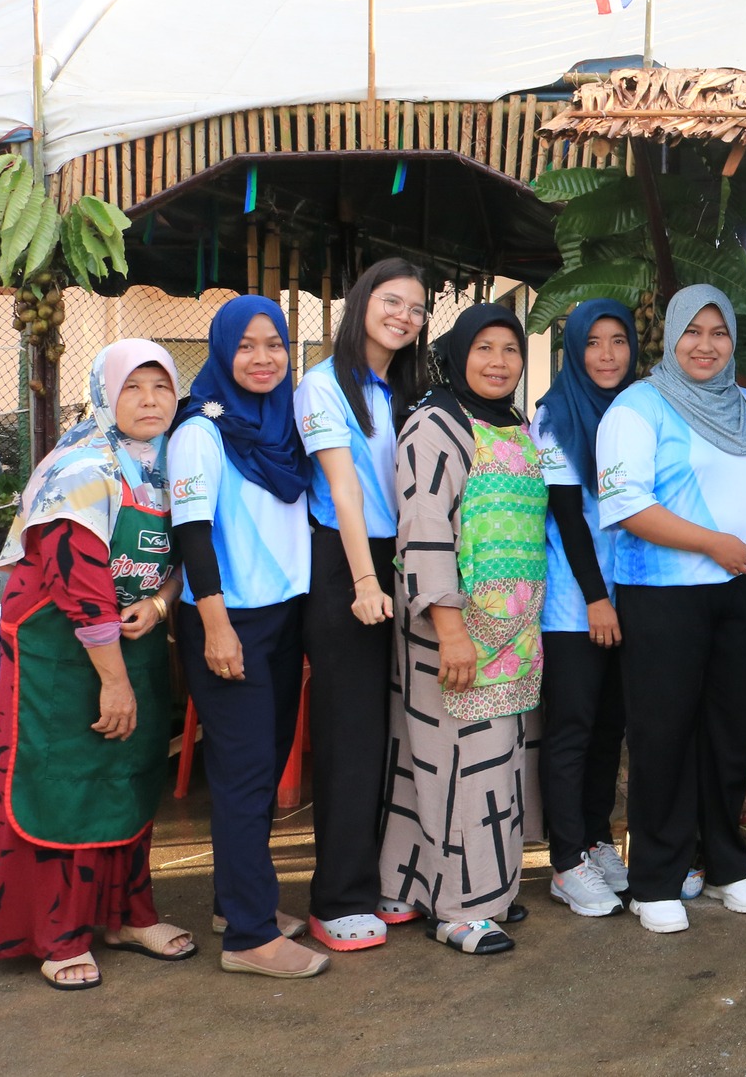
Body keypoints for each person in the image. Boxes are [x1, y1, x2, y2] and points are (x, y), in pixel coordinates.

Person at [0, 342, 192, 991]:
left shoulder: (169, 463)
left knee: (129, 773)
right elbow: (78, 582)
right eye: (133, 386)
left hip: (132, 641)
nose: (149, 400)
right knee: (62, 781)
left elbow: (188, 554)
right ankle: (58, 932)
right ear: (105, 394)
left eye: (161, 387)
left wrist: (160, 604)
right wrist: (113, 681)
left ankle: (126, 914)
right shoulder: (81, 468)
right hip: (61, 650)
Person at [596, 285, 746, 935]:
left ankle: (724, 863)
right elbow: (626, 505)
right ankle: (655, 878)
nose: (705, 345)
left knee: (730, 731)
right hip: (665, 593)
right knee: (662, 734)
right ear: (671, 336)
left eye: (718, 332)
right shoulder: (637, 407)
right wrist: (712, 543)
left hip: (745, 591)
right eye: (692, 332)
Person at [380, 304, 547, 956]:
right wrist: (449, 629)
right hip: (452, 626)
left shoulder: (514, 423)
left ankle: (446, 888)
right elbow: (423, 529)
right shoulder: (435, 424)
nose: (499, 362)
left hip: (512, 630)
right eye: (484, 348)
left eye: (511, 349)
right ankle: (460, 910)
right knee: (458, 764)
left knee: (492, 760)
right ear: (456, 355)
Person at [168, 297, 325, 979]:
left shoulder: (283, 425)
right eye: (246, 346)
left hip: (282, 614)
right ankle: (249, 938)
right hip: (229, 619)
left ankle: (235, 905)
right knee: (243, 774)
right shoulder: (201, 431)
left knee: (261, 766)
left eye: (275, 344)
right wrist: (217, 627)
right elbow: (192, 533)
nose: (263, 358)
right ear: (221, 351)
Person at [292, 258, 427, 952]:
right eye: (391, 300)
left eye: (416, 308)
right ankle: (338, 897)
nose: (403, 315)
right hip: (348, 563)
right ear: (362, 302)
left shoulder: (405, 386)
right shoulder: (323, 385)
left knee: (405, 726)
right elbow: (344, 491)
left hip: (406, 557)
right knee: (352, 734)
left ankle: (393, 877)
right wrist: (365, 582)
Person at [532, 299, 636, 918]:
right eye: (593, 342)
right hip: (576, 605)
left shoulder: (636, 410)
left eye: (618, 340)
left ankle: (596, 840)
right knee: (572, 729)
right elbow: (569, 518)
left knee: (609, 729)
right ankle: (566, 862)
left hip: (629, 594)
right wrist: (596, 599)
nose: (606, 354)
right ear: (572, 349)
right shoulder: (555, 414)